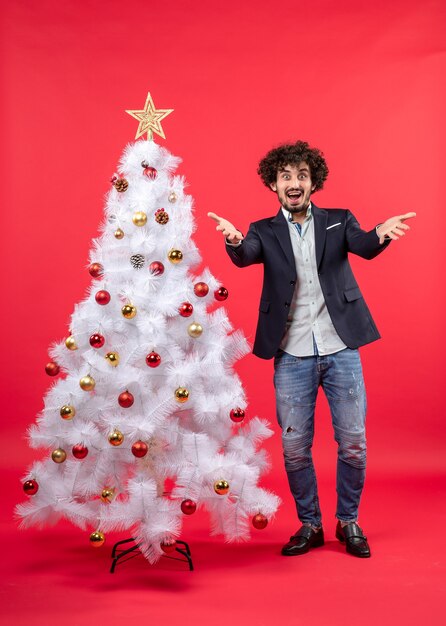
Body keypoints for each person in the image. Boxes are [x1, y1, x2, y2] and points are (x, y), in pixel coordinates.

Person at [208, 140, 415, 558]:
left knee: (353, 440)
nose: (294, 182)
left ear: (313, 181)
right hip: (291, 353)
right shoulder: (262, 231)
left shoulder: (339, 221)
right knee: (294, 445)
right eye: (286, 176)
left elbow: (365, 245)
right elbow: (245, 256)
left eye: (302, 175)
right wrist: (232, 240)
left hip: (341, 348)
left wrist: (381, 234)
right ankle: (311, 524)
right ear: (273, 184)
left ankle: (348, 521)